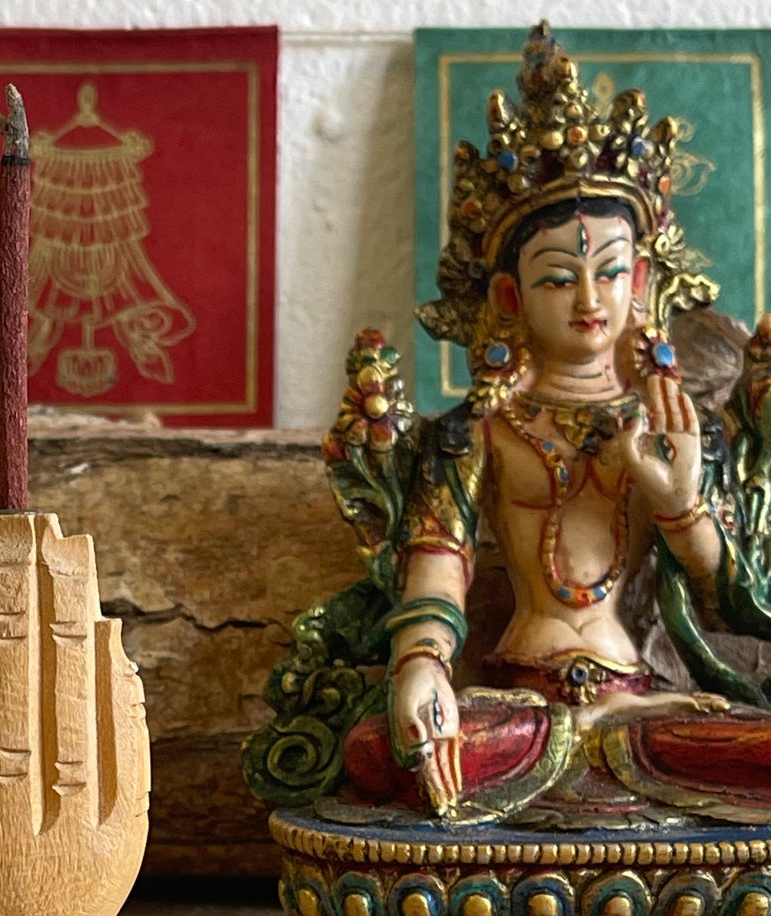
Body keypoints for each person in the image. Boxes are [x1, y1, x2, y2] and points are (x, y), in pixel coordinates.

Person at [246, 23, 771, 827]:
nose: (589, 301)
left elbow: (732, 604)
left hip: (638, 710)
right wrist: (419, 667)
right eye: (558, 277)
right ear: (506, 299)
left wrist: (679, 502)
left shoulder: (673, 426)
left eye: (607, 274)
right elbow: (437, 569)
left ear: (640, 280)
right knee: (375, 751)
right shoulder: (475, 432)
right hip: (513, 709)